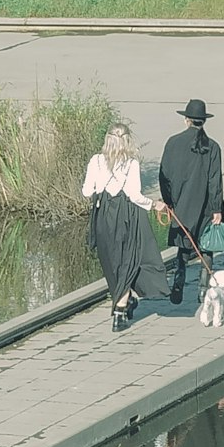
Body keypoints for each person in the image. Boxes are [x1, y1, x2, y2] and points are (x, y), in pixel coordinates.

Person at [155, 98, 224, 311]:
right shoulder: (212, 147)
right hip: (205, 205)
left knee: (184, 246)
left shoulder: (173, 143)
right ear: (203, 121)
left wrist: (169, 201)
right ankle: (204, 290)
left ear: (186, 120)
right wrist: (216, 208)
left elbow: (163, 175)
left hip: (181, 204)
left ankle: (179, 280)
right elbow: (215, 180)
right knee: (207, 246)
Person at [81, 123, 150, 328]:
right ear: (127, 140)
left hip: (102, 215)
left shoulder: (96, 161)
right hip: (124, 214)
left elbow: (86, 191)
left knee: (110, 261)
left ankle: (123, 302)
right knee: (126, 260)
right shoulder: (131, 164)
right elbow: (134, 195)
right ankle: (120, 311)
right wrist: (153, 205)